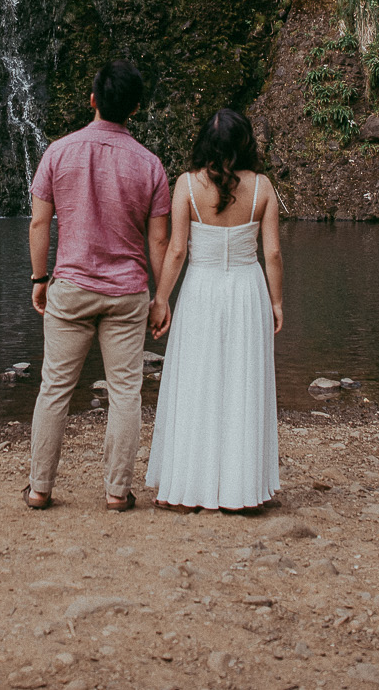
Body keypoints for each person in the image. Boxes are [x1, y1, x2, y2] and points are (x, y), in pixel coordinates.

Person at [24, 60, 171, 512]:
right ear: (136, 109)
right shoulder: (150, 164)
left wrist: (40, 278)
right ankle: (115, 491)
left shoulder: (58, 152)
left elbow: (39, 221)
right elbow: (160, 238)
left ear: (92, 100)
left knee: (54, 387)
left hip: (70, 284)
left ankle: (39, 489)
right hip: (127, 292)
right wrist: (161, 296)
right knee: (126, 392)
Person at [144, 107, 283, 512]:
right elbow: (271, 252)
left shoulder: (186, 185)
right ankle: (242, 489)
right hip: (246, 290)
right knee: (243, 381)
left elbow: (176, 249)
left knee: (197, 381)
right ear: (245, 145)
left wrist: (161, 299)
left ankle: (190, 487)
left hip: (201, 289)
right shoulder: (263, 188)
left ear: (205, 142)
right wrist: (276, 301)